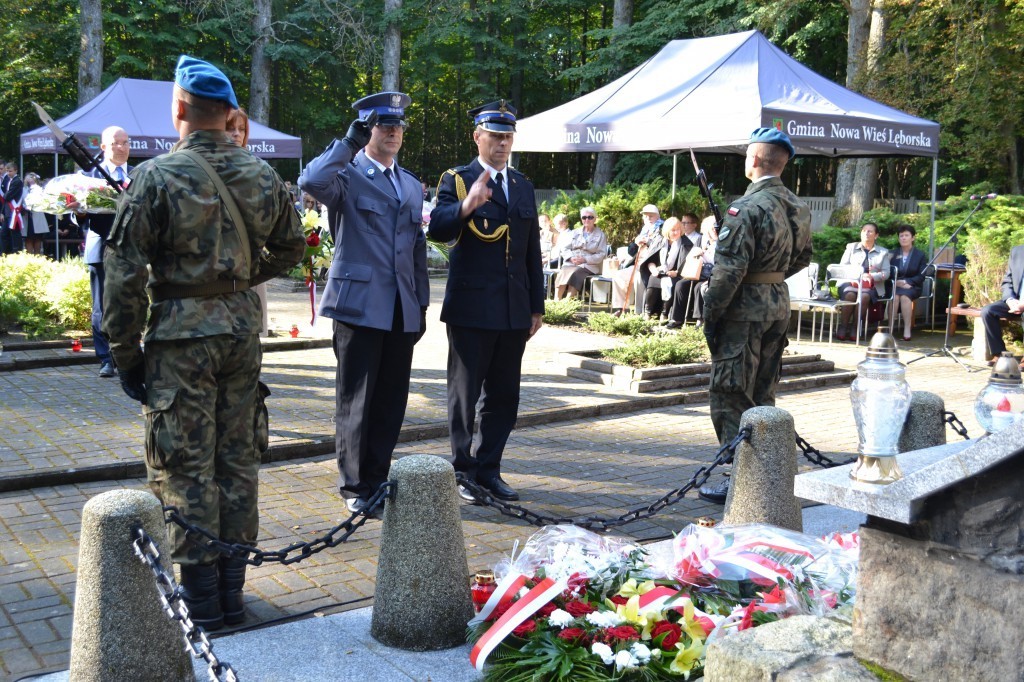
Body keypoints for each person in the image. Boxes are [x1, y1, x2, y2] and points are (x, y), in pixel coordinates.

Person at [101, 55, 304, 630]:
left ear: (180, 107)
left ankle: (202, 604)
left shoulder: (157, 176)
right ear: (227, 112)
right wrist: (236, 282)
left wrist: (126, 356)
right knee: (237, 459)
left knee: (186, 465)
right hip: (241, 333)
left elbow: (123, 275)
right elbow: (292, 247)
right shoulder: (261, 174)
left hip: (180, 340)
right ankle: (233, 594)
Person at [298, 91, 429, 517]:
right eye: (383, 124)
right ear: (367, 129)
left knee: (391, 401)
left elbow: (416, 248)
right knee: (357, 400)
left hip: (400, 308)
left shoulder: (409, 184)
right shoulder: (349, 174)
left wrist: (421, 304)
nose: (393, 131)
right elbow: (310, 182)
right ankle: (355, 486)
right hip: (358, 305)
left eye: (398, 125)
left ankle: (377, 478)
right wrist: (348, 143)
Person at [428, 99, 544, 503]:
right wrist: (467, 205)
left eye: (508, 136)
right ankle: (463, 471)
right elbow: (437, 229)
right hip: (472, 309)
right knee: (464, 396)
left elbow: (532, 250)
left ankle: (490, 469)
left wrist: (536, 306)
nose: (502, 143)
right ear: (477, 136)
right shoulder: (458, 180)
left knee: (504, 397)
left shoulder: (522, 185)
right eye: (495, 136)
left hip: (513, 310)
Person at [698, 127, 812, 504]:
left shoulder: (745, 208)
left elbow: (728, 270)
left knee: (731, 392)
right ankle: (766, 475)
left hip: (744, 311)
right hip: (777, 305)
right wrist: (769, 278)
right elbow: (803, 257)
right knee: (764, 391)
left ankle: (741, 479)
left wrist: (711, 314)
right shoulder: (797, 205)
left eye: (748, 154)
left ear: (755, 159)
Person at [77, 127, 132, 378]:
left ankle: (127, 356)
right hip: (100, 245)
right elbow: (79, 217)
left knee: (129, 304)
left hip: (130, 249)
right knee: (101, 306)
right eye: (115, 143)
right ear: (103, 147)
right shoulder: (88, 177)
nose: (121, 147)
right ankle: (106, 358)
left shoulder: (138, 174)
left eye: (125, 142)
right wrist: (79, 210)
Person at [226, 107, 270, 338]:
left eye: (241, 129)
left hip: (248, 260)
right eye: (230, 128)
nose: (236, 134)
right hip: (218, 266)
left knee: (249, 335)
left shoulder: (256, 168)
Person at [835, 222, 890, 341]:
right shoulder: (851, 247)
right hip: (850, 282)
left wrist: (871, 276)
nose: (866, 233)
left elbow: (886, 273)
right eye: (864, 231)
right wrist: (858, 275)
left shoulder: (883, 252)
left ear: (876, 235)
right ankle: (843, 326)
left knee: (864, 296)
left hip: (870, 286)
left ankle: (855, 327)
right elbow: (842, 267)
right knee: (850, 295)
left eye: (870, 231)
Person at [611, 205, 665, 315]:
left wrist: (648, 242)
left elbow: (660, 247)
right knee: (618, 276)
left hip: (650, 266)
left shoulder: (662, 229)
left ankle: (639, 313)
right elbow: (631, 252)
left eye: (651, 216)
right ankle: (621, 308)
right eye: (645, 216)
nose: (648, 218)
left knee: (638, 279)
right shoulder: (644, 229)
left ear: (658, 216)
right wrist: (636, 243)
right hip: (637, 264)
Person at [980, 245, 1024, 369]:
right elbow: (1008, 281)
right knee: (988, 311)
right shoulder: (1017, 251)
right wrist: (1010, 300)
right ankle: (999, 354)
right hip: (1016, 300)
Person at [554, 206, 607, 300]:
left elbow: (601, 254)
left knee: (576, 273)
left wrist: (585, 259)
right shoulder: (574, 232)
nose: (587, 220)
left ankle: (567, 302)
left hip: (589, 265)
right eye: (584, 217)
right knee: (563, 271)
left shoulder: (601, 235)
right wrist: (571, 258)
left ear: (595, 219)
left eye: (590, 217)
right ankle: (556, 301)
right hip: (572, 262)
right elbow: (565, 248)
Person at [889, 223, 928, 342]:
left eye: (906, 235)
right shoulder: (892, 253)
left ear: (913, 238)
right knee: (895, 297)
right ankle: (889, 329)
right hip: (895, 285)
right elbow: (888, 271)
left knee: (905, 297)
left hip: (913, 286)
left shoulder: (920, 255)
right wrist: (896, 282)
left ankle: (907, 329)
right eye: (901, 236)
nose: (904, 238)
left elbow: (922, 275)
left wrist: (908, 282)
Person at [645, 217, 686, 321]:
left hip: (675, 274)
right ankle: (648, 312)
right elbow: (650, 260)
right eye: (673, 230)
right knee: (653, 280)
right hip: (659, 271)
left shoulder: (685, 244)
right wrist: (653, 270)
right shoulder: (659, 241)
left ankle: (665, 313)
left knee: (671, 283)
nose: (676, 232)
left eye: (678, 229)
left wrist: (676, 272)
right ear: (667, 231)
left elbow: (687, 263)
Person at [686, 215, 719, 327]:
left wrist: (704, 253)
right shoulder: (702, 240)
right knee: (681, 285)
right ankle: (676, 317)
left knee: (699, 287)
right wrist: (695, 253)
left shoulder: (721, 242)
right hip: (698, 273)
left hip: (713, 274)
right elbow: (688, 258)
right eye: (712, 227)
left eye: (715, 227)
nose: (714, 229)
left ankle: (700, 319)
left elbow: (716, 261)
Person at [21, 173, 50, 255]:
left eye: (32, 178)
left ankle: (37, 255)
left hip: (37, 214)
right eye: (29, 178)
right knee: (28, 238)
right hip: (27, 215)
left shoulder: (39, 189)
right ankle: (29, 256)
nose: (30, 179)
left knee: (38, 238)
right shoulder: (24, 189)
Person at [1, 162, 24, 254]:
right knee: (4, 234)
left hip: (14, 211)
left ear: (15, 171)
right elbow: (6, 199)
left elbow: (7, 196)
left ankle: (17, 252)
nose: (8, 173)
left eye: (10, 171)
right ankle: (5, 253)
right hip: (8, 212)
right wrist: (2, 212)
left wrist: (5, 195)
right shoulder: (9, 181)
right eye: (7, 171)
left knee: (15, 234)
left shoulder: (17, 181)